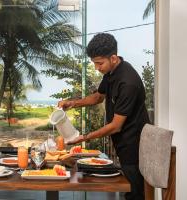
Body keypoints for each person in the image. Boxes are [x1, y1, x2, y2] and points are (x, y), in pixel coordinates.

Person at [58, 33, 149, 200]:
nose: (97, 68)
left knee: (134, 192)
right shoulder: (111, 72)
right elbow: (98, 97)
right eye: (94, 63)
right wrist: (72, 103)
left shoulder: (128, 82)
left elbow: (116, 126)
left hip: (134, 144)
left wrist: (84, 137)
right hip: (122, 142)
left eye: (99, 63)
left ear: (113, 58)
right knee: (127, 190)